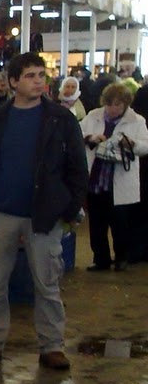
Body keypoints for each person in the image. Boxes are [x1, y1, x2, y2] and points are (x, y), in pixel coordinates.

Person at [0, 53, 88, 370]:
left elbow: (77, 169)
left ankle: (52, 346)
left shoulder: (61, 120)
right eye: (31, 75)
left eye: (41, 75)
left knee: (47, 283)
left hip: (44, 216)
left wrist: (69, 208)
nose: (38, 81)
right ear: (14, 81)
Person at [78, 81, 148, 271]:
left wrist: (132, 144)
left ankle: (121, 258)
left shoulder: (137, 121)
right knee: (96, 224)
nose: (112, 109)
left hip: (119, 180)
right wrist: (90, 137)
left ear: (125, 104)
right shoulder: (93, 116)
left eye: (117, 104)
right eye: (109, 104)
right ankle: (100, 258)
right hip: (96, 179)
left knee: (120, 223)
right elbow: (78, 131)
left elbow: (146, 146)